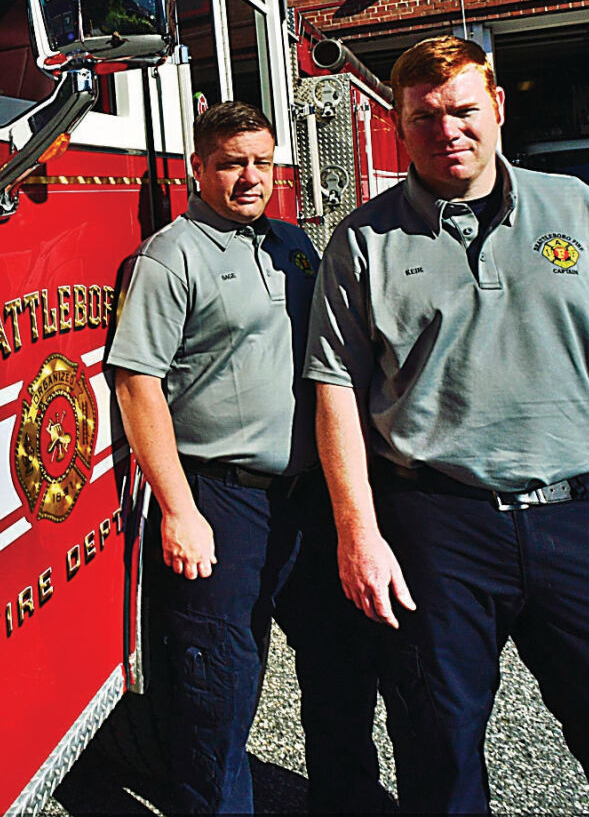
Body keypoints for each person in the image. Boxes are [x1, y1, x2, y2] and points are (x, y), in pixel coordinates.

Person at [306, 35, 589, 814]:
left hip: (578, 520)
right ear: (399, 126)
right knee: (440, 758)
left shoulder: (578, 209)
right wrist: (358, 533)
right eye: (424, 115)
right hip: (434, 528)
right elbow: (336, 394)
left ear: (497, 107)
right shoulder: (361, 242)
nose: (446, 128)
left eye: (463, 109)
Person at [109, 100, 381, 814]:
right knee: (219, 689)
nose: (249, 177)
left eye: (261, 161)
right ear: (198, 167)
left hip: (309, 499)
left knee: (342, 665)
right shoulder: (171, 256)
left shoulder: (292, 243)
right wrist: (177, 509)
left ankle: (350, 798)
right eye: (231, 162)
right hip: (221, 501)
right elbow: (137, 387)